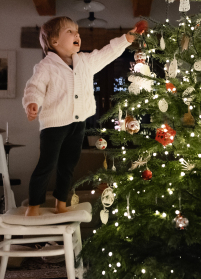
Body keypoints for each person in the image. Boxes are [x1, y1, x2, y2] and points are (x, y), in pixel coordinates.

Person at [23, 16, 136, 216]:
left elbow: (106, 54)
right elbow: (35, 87)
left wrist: (125, 40)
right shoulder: (46, 66)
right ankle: (34, 206)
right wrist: (32, 102)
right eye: (70, 32)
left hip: (78, 123)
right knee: (47, 164)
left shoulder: (84, 61)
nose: (77, 35)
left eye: (77, 32)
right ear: (54, 42)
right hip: (54, 124)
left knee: (68, 165)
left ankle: (61, 203)